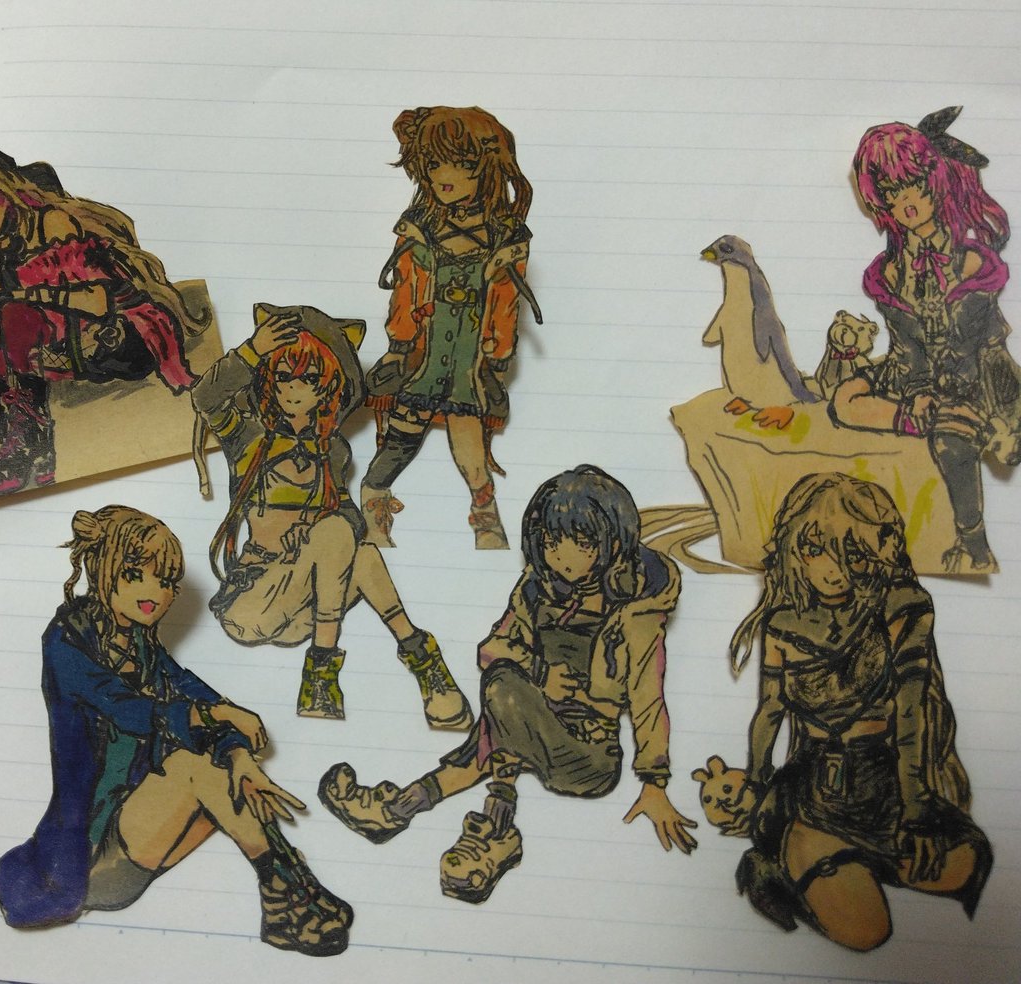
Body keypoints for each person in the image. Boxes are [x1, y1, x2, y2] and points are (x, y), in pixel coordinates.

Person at [319, 466, 696, 904]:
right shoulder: (538, 588)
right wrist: (542, 674)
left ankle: (481, 824)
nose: (563, 557)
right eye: (552, 542)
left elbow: (649, 696)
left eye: (581, 543)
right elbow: (491, 649)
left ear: (612, 542)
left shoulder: (636, 608)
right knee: (502, 702)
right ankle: (415, 812)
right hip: (533, 716)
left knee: (501, 697)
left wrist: (654, 781)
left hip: (587, 754)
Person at [0, 506, 351, 957]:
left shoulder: (141, 643)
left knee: (222, 769)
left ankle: (284, 890)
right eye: (135, 574)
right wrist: (216, 718)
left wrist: (238, 755)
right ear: (103, 567)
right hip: (92, 858)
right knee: (190, 765)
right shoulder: (67, 640)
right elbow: (130, 709)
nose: (155, 593)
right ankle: (284, 891)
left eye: (165, 582)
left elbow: (193, 692)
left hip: (146, 838)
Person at [727, 473, 991, 951]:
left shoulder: (901, 607)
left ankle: (857, 862)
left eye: (851, 553)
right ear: (794, 549)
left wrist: (917, 811)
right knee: (867, 932)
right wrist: (757, 784)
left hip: (885, 787)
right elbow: (769, 712)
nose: (833, 570)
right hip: (815, 795)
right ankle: (789, 862)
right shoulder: (782, 624)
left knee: (967, 863)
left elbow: (911, 715)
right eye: (816, 550)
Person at [0, 119, 207, 495]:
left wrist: (22, 297)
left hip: (121, 340)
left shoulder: (50, 224)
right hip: (67, 346)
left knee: (14, 311)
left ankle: (31, 437)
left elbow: (98, 302)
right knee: (3, 313)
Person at [191, 304, 473, 728]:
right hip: (254, 606)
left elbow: (347, 518)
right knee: (341, 535)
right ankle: (323, 672)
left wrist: (312, 532)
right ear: (268, 380)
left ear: (328, 386)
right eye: (283, 376)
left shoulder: (333, 451)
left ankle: (421, 661)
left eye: (308, 378)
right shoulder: (247, 435)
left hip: (306, 608)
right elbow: (204, 397)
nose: (293, 389)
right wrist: (252, 350)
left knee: (354, 544)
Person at [830, 107, 1020, 572]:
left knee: (953, 440)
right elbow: (906, 349)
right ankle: (922, 420)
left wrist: (946, 393)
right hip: (916, 373)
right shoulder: (890, 273)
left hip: (975, 373)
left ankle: (974, 542)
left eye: (914, 185)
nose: (906, 202)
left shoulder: (971, 263)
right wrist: (916, 393)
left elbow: (973, 347)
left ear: (936, 181)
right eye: (892, 193)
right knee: (844, 400)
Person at [360, 106, 541, 549]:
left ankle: (486, 521)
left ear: (488, 168)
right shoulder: (418, 228)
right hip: (422, 366)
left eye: (461, 164)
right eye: (435, 162)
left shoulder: (506, 236)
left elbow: (506, 305)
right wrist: (399, 347)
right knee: (399, 440)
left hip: (467, 370)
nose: (445, 176)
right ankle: (372, 508)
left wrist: (497, 360)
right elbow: (404, 292)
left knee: (471, 448)